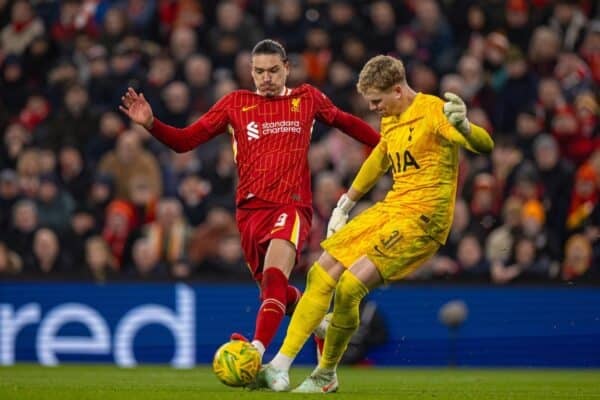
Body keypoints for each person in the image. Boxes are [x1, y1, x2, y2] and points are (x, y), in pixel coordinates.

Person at [119, 39, 380, 360]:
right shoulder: (235, 104)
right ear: (250, 73)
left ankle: (255, 351)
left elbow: (348, 122)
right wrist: (151, 124)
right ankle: (321, 325)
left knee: (274, 278)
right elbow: (185, 142)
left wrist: (387, 146)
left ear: (287, 68)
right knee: (276, 295)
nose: (266, 78)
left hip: (291, 206)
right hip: (249, 214)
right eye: (259, 72)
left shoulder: (306, 99)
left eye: (273, 70)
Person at [257, 54, 494, 392]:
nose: (374, 109)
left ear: (398, 90)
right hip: (391, 208)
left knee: (351, 286)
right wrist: (347, 201)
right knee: (320, 273)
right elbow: (381, 157)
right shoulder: (392, 117)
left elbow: (485, 146)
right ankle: (279, 366)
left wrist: (467, 128)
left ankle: (325, 375)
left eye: (377, 101)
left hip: (422, 221)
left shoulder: (435, 112)